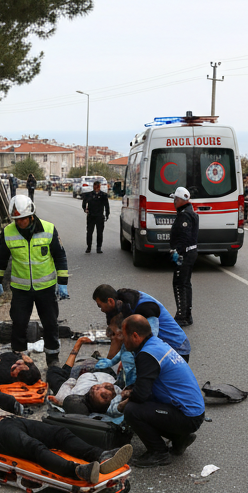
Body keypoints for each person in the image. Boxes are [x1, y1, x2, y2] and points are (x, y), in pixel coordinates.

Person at [0, 388, 132, 484]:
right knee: (34, 447)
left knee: (59, 433)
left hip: (11, 419)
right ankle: (78, 471)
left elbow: (1, 409)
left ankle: (100, 456)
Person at [105, 314, 205, 468]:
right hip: (193, 411)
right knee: (142, 405)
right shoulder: (154, 344)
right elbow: (145, 386)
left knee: (132, 410)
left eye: (124, 337)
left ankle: (158, 453)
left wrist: (121, 404)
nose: (123, 341)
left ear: (136, 336)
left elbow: (140, 395)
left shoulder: (147, 355)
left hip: (187, 415)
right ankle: (180, 438)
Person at [0, 195, 69, 360]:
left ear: (31, 215)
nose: (20, 222)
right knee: (19, 325)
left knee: (50, 324)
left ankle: (52, 357)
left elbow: (60, 257)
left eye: (23, 219)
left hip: (46, 289)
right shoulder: (8, 232)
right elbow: (1, 259)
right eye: (17, 219)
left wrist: (63, 282)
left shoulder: (49, 229)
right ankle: (19, 358)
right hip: (21, 290)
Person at [91, 284, 191, 361]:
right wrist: (108, 363)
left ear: (110, 301)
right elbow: (117, 338)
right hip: (161, 348)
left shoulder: (144, 308)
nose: (101, 310)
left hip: (177, 350)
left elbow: (151, 343)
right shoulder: (120, 305)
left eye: (100, 306)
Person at [169, 186, 198, 326]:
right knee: (185, 283)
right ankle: (187, 314)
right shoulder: (189, 212)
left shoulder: (185, 215)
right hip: (190, 252)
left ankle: (182, 316)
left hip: (185, 254)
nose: (174, 202)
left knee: (179, 284)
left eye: (175, 199)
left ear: (181, 200)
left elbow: (184, 237)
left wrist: (178, 252)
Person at [83, 177, 111, 253]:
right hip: (91, 216)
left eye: (98, 186)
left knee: (99, 233)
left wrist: (107, 214)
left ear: (99, 186)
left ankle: (99, 247)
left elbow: (107, 206)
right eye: (95, 186)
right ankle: (89, 247)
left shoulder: (103, 195)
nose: (96, 188)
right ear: (93, 186)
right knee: (89, 232)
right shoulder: (89, 195)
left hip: (99, 216)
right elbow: (84, 203)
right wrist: (85, 209)